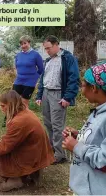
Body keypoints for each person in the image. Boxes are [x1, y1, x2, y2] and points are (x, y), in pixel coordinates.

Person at [62, 61, 106, 195]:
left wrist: (77, 147)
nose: (82, 91)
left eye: (83, 86)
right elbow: (102, 140)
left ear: (94, 88)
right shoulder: (103, 110)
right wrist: (81, 136)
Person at [0, 90, 54, 192]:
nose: (1, 109)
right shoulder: (25, 112)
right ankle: (30, 172)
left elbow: (4, 147)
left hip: (32, 155)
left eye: (3, 106)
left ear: (12, 105)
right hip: (37, 152)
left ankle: (16, 178)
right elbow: (11, 141)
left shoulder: (18, 121)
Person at [35, 35, 80, 164]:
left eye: (48, 48)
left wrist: (68, 97)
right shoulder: (48, 60)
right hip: (46, 94)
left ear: (56, 45)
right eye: (45, 49)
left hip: (58, 95)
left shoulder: (68, 58)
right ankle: (52, 149)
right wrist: (39, 95)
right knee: (48, 123)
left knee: (57, 125)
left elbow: (74, 78)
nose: (47, 51)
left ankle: (60, 154)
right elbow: (43, 78)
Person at [2, 35, 44, 127]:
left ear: (29, 43)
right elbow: (17, 67)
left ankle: (24, 122)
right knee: (12, 99)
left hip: (30, 82)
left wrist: (34, 78)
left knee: (24, 102)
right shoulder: (18, 55)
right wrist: (19, 74)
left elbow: (41, 69)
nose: (23, 45)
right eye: (21, 44)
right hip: (19, 80)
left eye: (25, 43)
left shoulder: (35, 55)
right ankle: (9, 119)